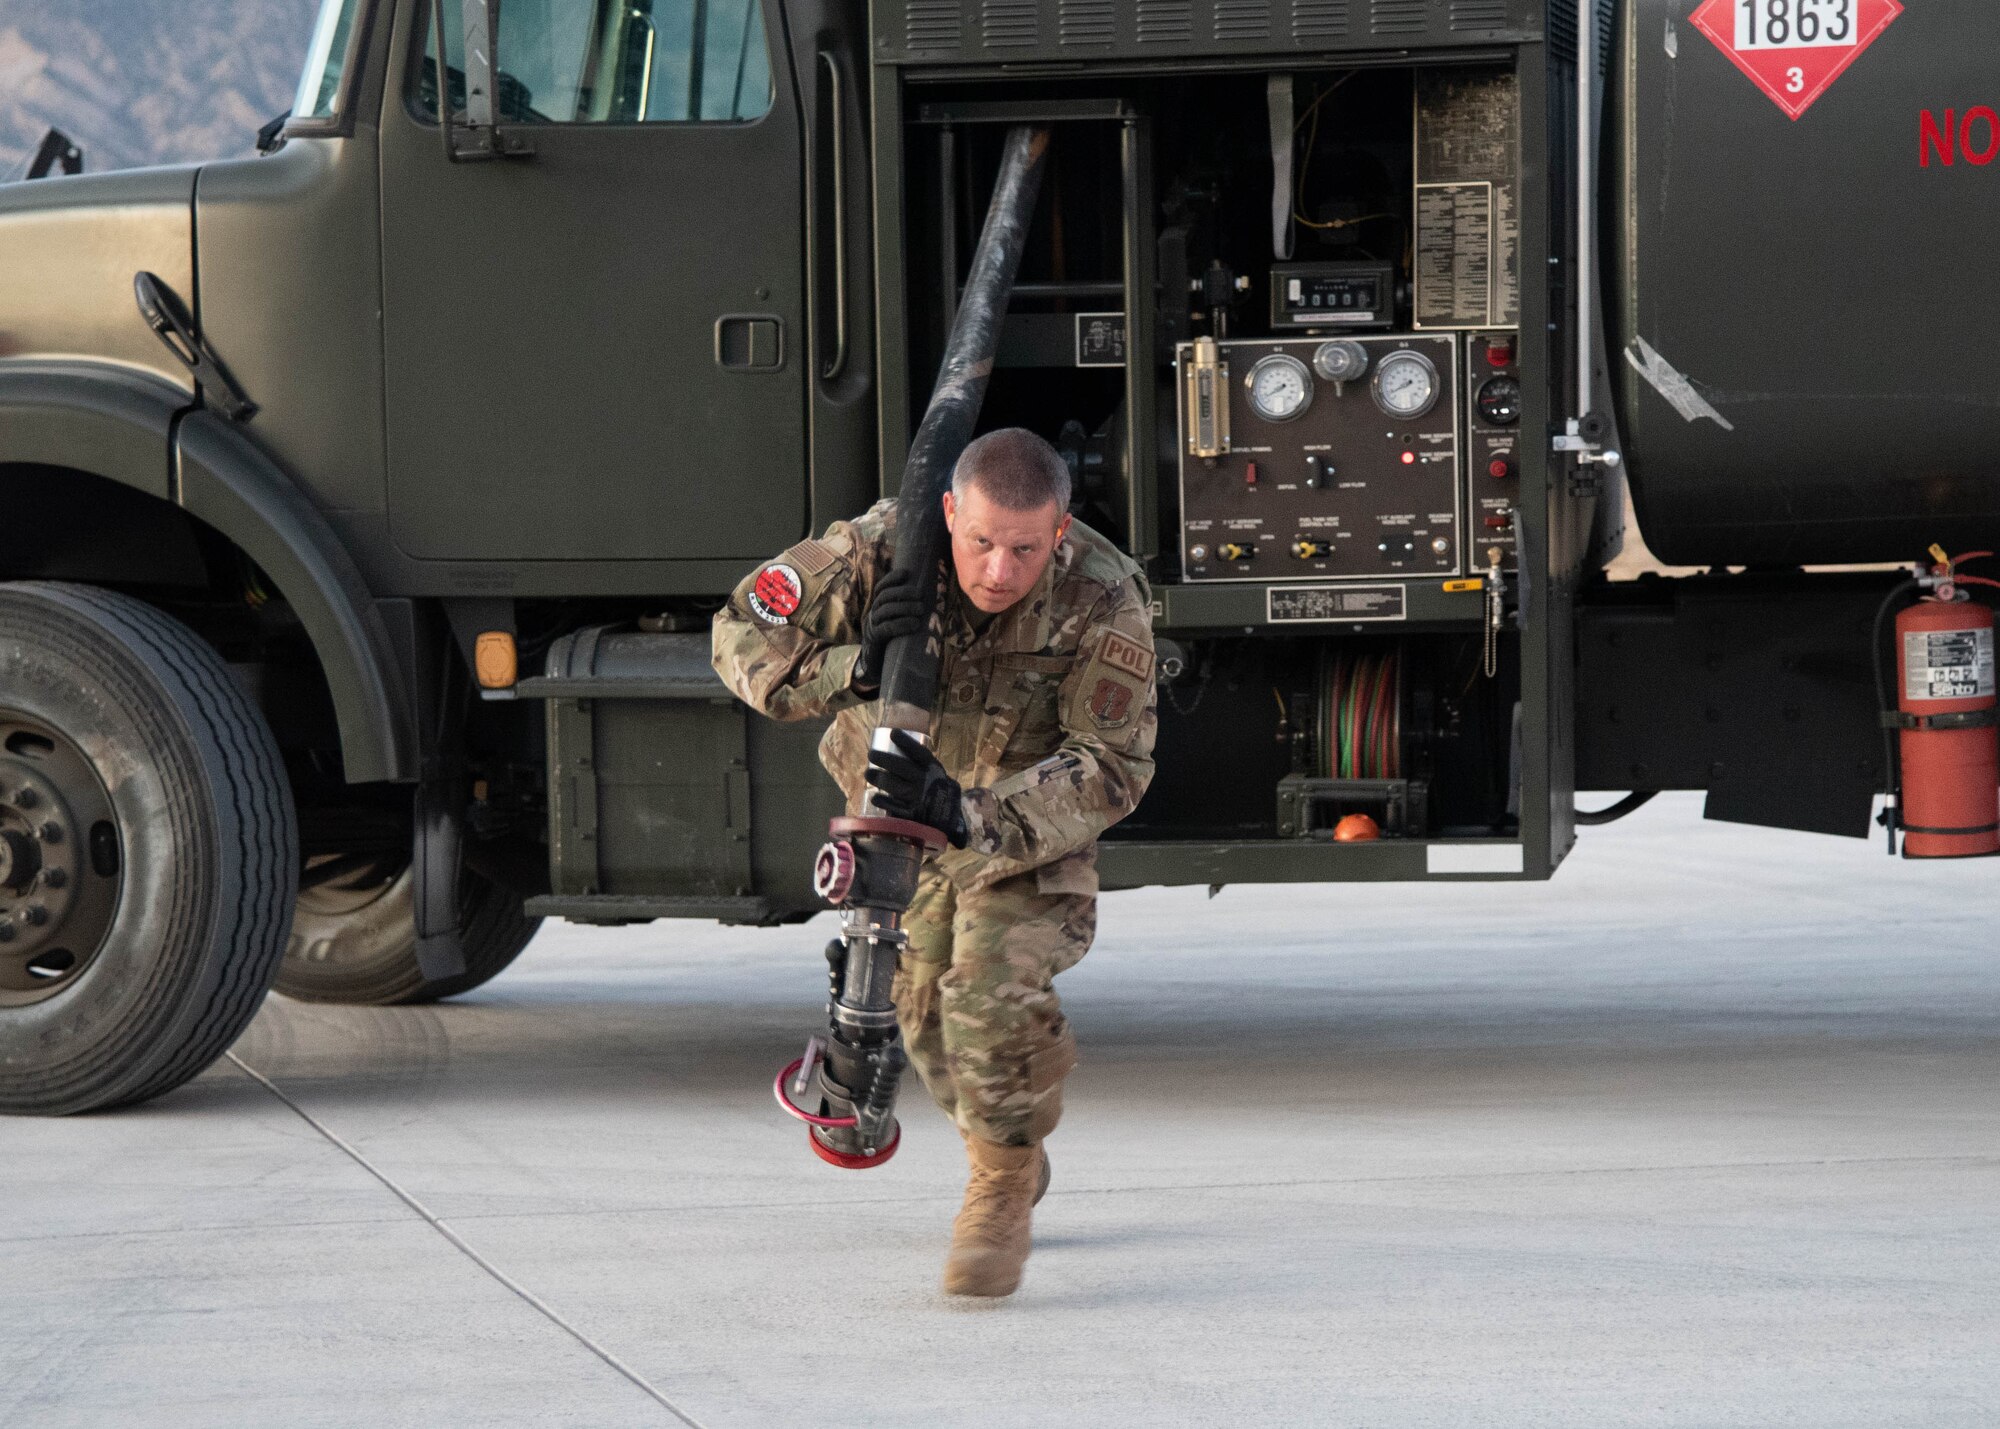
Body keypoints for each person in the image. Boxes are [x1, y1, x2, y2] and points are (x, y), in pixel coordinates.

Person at [712, 427, 1158, 1297]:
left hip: (1023, 828)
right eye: (982, 540)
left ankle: (999, 1186)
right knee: (919, 1019)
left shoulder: (1105, 597)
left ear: (1060, 532)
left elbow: (1113, 765)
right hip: (897, 825)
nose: (999, 568)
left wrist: (969, 810)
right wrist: (853, 665)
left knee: (988, 995)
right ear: (949, 510)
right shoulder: (880, 549)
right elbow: (738, 633)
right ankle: (1010, 1142)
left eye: (1027, 548)